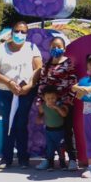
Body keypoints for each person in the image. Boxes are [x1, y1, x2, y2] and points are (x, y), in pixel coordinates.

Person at [0, 21, 42, 169]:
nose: (20, 34)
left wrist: (30, 85)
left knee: (21, 124)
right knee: (8, 124)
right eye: (17, 31)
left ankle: (24, 158)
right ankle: (6, 158)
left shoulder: (32, 47)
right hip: (5, 92)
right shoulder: (0, 49)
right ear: (12, 32)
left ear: (27, 34)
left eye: (23, 32)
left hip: (25, 92)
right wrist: (9, 83)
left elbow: (38, 68)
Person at [35, 36, 78, 170]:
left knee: (67, 132)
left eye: (59, 46)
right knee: (49, 134)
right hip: (49, 106)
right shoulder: (46, 65)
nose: (56, 49)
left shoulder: (68, 63)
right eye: (53, 46)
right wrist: (40, 103)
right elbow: (42, 84)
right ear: (49, 48)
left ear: (64, 49)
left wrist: (66, 103)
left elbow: (73, 84)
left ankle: (71, 160)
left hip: (64, 105)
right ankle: (49, 160)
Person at [36, 85, 69, 171]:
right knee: (50, 148)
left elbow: (64, 114)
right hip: (48, 131)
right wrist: (39, 118)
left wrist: (56, 107)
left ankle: (62, 163)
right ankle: (50, 164)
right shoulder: (43, 106)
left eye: (53, 98)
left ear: (57, 97)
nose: (51, 100)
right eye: (48, 98)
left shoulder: (59, 104)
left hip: (59, 131)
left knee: (60, 148)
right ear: (44, 98)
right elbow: (40, 113)